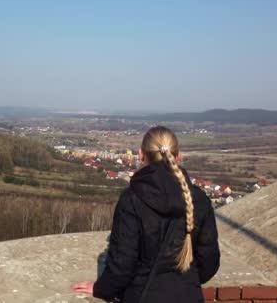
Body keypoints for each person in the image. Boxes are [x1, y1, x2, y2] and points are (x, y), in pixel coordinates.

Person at [72, 126, 220, 302]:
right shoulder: (199, 199)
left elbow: (122, 263)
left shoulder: (132, 199)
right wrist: (185, 284)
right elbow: (209, 260)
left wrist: (101, 288)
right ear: (178, 155)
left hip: (141, 295)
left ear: (141, 154)